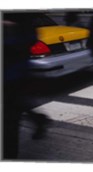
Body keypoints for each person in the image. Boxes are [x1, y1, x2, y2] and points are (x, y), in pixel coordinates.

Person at [3, 13, 51, 159]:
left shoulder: (21, 18)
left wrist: (11, 28)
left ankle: (10, 157)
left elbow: (30, 38)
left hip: (14, 72)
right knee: (14, 108)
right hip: (12, 72)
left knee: (10, 119)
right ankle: (38, 119)